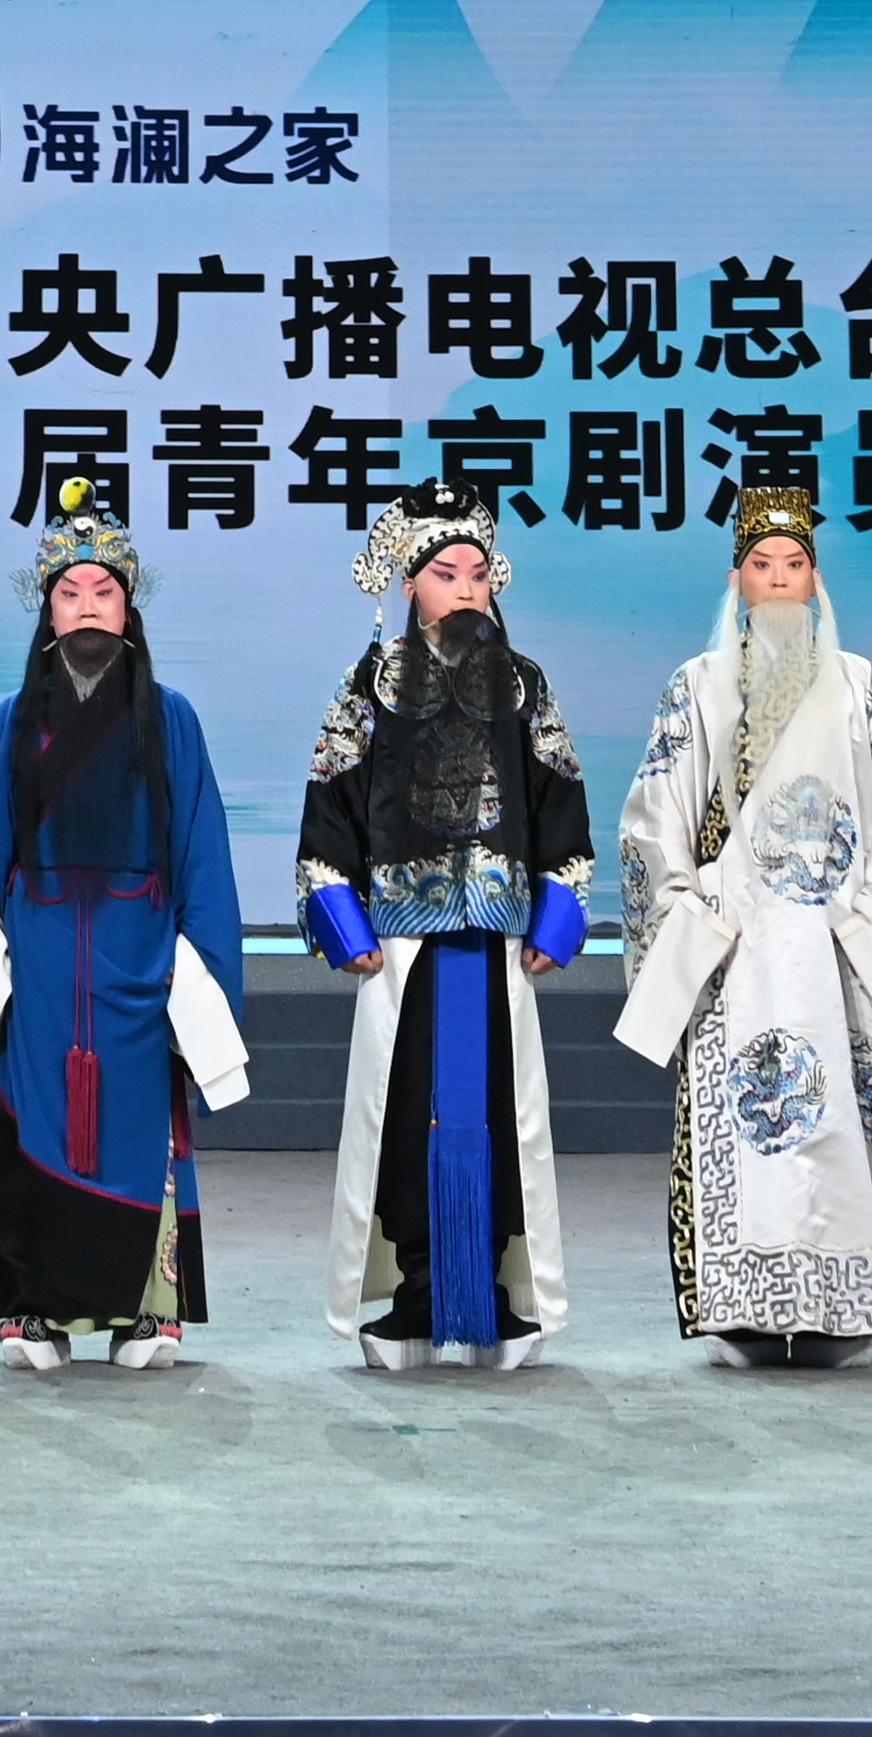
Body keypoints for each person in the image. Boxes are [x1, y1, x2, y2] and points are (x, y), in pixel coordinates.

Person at [614, 482, 872, 1365]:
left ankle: (849, 1310)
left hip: (838, 949)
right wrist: (688, 914)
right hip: (741, 956)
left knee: (849, 1129)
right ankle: (742, 1309)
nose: (777, 584)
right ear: (736, 580)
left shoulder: (858, 685)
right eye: (761, 568)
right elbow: (654, 821)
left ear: (816, 581)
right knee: (748, 1133)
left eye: (793, 567)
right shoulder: (695, 687)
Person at [0, 477, 252, 1370]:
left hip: (137, 954)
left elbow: (203, 856)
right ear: (45, 611)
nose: (85, 608)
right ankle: (29, 1308)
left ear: (129, 609)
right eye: (68, 592)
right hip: (36, 959)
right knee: (30, 1119)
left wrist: (209, 980)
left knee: (141, 1126)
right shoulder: (13, 722)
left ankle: (147, 1310)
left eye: (102, 592)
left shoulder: (170, 720)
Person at [295, 477, 592, 1370]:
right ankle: (418, 1288)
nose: (463, 588)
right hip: (401, 945)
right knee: (400, 1110)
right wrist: (341, 918)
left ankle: (492, 1289)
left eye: (476, 573)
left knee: (505, 1113)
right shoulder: (371, 685)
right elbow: (329, 809)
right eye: (443, 573)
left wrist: (560, 912)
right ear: (409, 583)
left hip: (496, 940)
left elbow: (563, 805)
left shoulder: (525, 685)